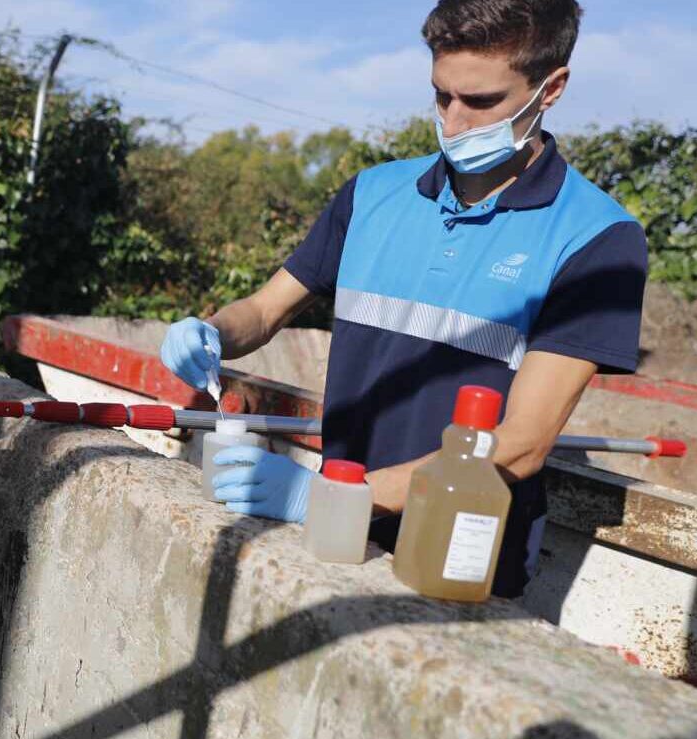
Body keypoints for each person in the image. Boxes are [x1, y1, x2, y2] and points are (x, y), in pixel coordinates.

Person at [160, 0, 647, 598]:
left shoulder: (598, 237)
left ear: (551, 89)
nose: (455, 121)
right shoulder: (373, 193)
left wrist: (338, 495)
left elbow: (523, 442)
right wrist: (211, 332)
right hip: (337, 533)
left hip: (463, 560)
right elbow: (265, 311)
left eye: (483, 102)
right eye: (442, 96)